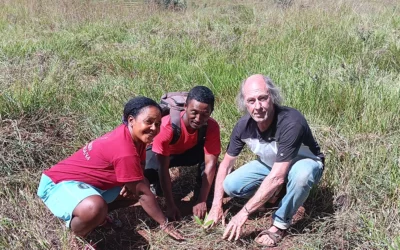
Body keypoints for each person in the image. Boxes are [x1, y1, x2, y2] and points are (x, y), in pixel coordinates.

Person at [37, 96, 184, 242]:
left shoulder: (135, 137)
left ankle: (98, 218)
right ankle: (78, 235)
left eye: (158, 124)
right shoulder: (124, 150)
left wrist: (132, 184)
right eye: (149, 122)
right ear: (131, 120)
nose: (154, 128)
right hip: (57, 184)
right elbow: (142, 194)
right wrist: (164, 224)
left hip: (89, 185)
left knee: (133, 190)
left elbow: (140, 169)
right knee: (94, 207)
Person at [206, 74, 324, 247]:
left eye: (263, 98)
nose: (258, 106)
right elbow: (225, 165)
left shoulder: (291, 121)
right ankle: (278, 194)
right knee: (230, 185)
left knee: (302, 175)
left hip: (303, 162)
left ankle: (280, 223)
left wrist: (243, 213)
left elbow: (277, 177)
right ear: (244, 103)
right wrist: (216, 204)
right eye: (251, 101)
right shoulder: (243, 126)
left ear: (272, 97)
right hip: (271, 165)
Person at [144, 86, 221, 220]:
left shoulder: (211, 126)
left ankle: (200, 192)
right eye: (194, 112)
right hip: (161, 154)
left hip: (185, 151)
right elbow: (163, 168)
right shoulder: (167, 126)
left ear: (211, 112)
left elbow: (210, 164)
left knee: (212, 158)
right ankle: (157, 184)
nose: (198, 118)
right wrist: (170, 204)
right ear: (185, 107)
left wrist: (202, 199)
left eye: (205, 114)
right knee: (148, 174)